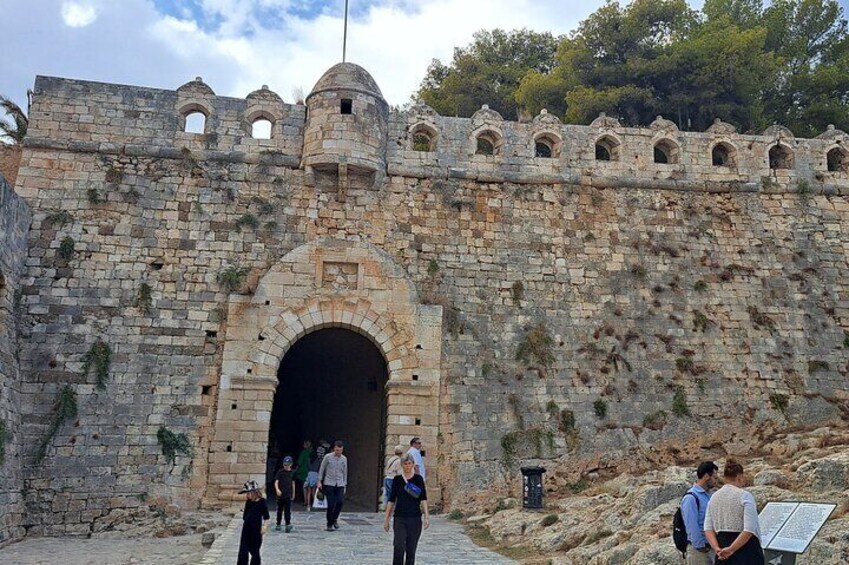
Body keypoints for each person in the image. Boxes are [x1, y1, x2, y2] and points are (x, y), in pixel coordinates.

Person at [704, 459, 763, 565]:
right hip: (745, 550)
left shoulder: (713, 498)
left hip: (722, 548)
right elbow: (749, 529)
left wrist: (717, 549)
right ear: (739, 477)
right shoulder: (744, 496)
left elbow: (708, 528)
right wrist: (731, 549)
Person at [384, 453, 430, 565]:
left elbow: (423, 499)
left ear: (413, 464)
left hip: (415, 517)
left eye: (410, 463)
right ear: (402, 465)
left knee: (411, 548)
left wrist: (426, 516)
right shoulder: (397, 480)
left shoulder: (418, 479)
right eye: (405, 464)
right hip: (400, 517)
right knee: (398, 546)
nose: (408, 466)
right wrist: (386, 519)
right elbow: (391, 500)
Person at [680, 461, 718, 564]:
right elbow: (691, 525)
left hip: (711, 547)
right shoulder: (691, 498)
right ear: (706, 476)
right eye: (714, 477)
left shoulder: (710, 495)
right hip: (699, 551)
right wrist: (700, 545)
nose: (716, 481)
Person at [237, 480, 269, 565]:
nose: (247, 496)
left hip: (256, 529)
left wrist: (264, 526)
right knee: (243, 550)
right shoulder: (249, 502)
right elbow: (245, 516)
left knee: (255, 551)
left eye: (248, 493)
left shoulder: (262, 502)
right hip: (246, 528)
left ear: (254, 492)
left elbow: (266, 516)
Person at [318, 440, 348, 532]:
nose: (338, 452)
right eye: (337, 450)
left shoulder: (344, 459)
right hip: (329, 483)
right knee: (331, 504)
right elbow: (322, 468)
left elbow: (345, 472)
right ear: (334, 449)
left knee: (340, 501)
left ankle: (334, 518)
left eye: (340, 450)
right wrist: (319, 480)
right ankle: (329, 524)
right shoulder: (328, 457)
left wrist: (345, 484)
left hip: (340, 483)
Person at [274, 456, 295, 532]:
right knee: (279, 510)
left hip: (288, 494)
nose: (286, 466)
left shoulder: (292, 473)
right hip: (280, 495)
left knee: (287, 510)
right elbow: (276, 481)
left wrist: (293, 493)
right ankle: (278, 523)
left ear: (291, 464)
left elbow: (293, 483)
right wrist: (277, 489)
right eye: (285, 465)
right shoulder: (280, 472)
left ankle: (288, 524)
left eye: (288, 465)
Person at [295, 440, 313, 508]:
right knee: (310, 487)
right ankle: (310, 500)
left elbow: (299, 462)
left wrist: (295, 470)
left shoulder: (304, 452)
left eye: (305, 443)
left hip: (302, 472)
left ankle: (305, 501)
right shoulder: (312, 452)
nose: (303, 445)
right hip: (311, 471)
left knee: (303, 487)